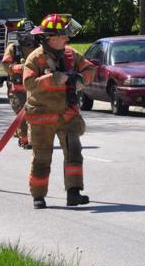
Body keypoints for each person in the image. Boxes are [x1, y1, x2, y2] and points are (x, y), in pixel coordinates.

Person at [22, 13, 95, 210]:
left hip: (68, 116)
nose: (67, 39)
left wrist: (81, 80)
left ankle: (74, 194)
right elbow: (28, 83)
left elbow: (89, 69)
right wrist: (52, 79)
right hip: (42, 118)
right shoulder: (35, 58)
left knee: (74, 154)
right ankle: (38, 197)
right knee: (42, 158)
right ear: (51, 38)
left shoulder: (71, 55)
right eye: (63, 35)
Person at [1, 19, 35, 149]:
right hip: (17, 90)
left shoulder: (39, 48)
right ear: (19, 35)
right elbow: (6, 65)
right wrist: (20, 68)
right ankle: (24, 139)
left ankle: (27, 135)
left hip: (34, 88)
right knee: (22, 114)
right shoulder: (13, 49)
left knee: (36, 114)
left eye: (30, 34)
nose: (28, 38)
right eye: (25, 35)